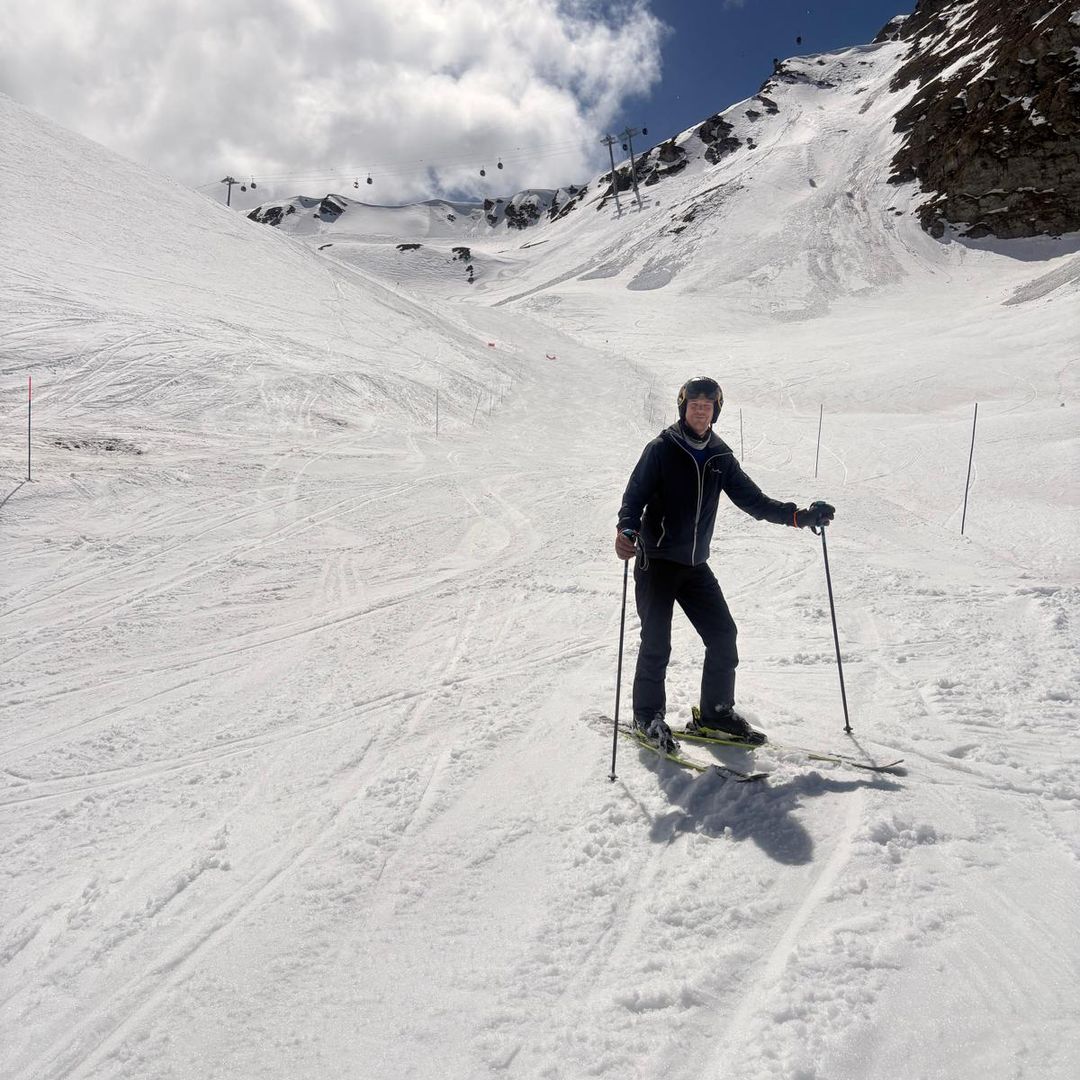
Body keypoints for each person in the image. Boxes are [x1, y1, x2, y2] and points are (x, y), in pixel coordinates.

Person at [615, 376, 834, 752]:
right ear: (683, 408)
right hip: (658, 564)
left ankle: (715, 714)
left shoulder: (720, 456)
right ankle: (647, 717)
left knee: (722, 637)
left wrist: (798, 516)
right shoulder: (662, 448)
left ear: (716, 411)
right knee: (656, 644)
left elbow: (754, 500)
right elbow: (634, 497)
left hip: (695, 566)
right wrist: (627, 531)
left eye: (707, 406)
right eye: (693, 405)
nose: (700, 411)